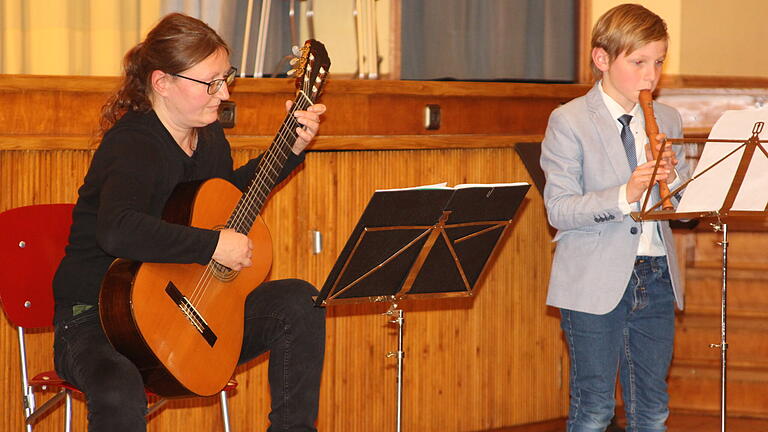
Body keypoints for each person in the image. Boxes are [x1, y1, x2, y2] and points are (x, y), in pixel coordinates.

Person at [52, 13, 326, 432]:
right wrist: (211, 246)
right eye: (211, 82)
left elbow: (220, 202)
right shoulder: (133, 144)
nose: (225, 93)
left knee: (298, 304)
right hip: (99, 319)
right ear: (162, 82)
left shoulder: (210, 135)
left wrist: (289, 148)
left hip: (182, 309)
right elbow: (118, 229)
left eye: (226, 78)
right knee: (119, 389)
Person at [540, 4, 690, 432]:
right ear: (602, 59)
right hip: (593, 279)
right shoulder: (568, 120)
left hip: (656, 275)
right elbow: (560, 209)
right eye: (638, 62)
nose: (651, 75)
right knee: (594, 409)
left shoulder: (667, 118)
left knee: (652, 410)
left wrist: (673, 181)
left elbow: (678, 211)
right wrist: (626, 193)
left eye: (658, 62)